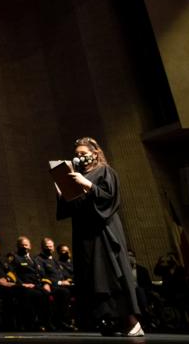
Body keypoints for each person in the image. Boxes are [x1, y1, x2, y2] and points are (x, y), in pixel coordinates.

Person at [56, 137, 143, 336]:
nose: (79, 157)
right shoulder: (76, 175)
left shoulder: (105, 171)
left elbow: (110, 199)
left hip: (103, 231)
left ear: (95, 153)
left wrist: (87, 184)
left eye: (83, 153)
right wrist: (62, 192)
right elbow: (72, 207)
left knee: (110, 274)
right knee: (92, 276)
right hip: (85, 233)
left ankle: (131, 322)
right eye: (76, 154)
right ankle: (110, 320)